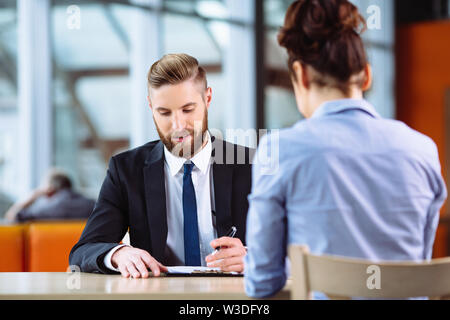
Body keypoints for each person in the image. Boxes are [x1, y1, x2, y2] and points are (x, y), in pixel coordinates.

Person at [244, 0, 447, 298]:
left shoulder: (279, 150)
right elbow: (418, 263)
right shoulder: (423, 149)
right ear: (366, 75)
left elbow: (261, 282)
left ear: (300, 75)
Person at [69, 53, 253, 278]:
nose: (178, 125)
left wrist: (255, 256)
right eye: (164, 112)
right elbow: (83, 251)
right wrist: (118, 253)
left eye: (187, 110)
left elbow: (297, 244)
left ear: (208, 98)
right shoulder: (126, 170)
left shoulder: (250, 165)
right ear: (150, 106)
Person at [5, 169, 95, 223]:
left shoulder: (51, 207)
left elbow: (12, 216)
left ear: (49, 189)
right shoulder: (91, 203)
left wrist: (34, 195)